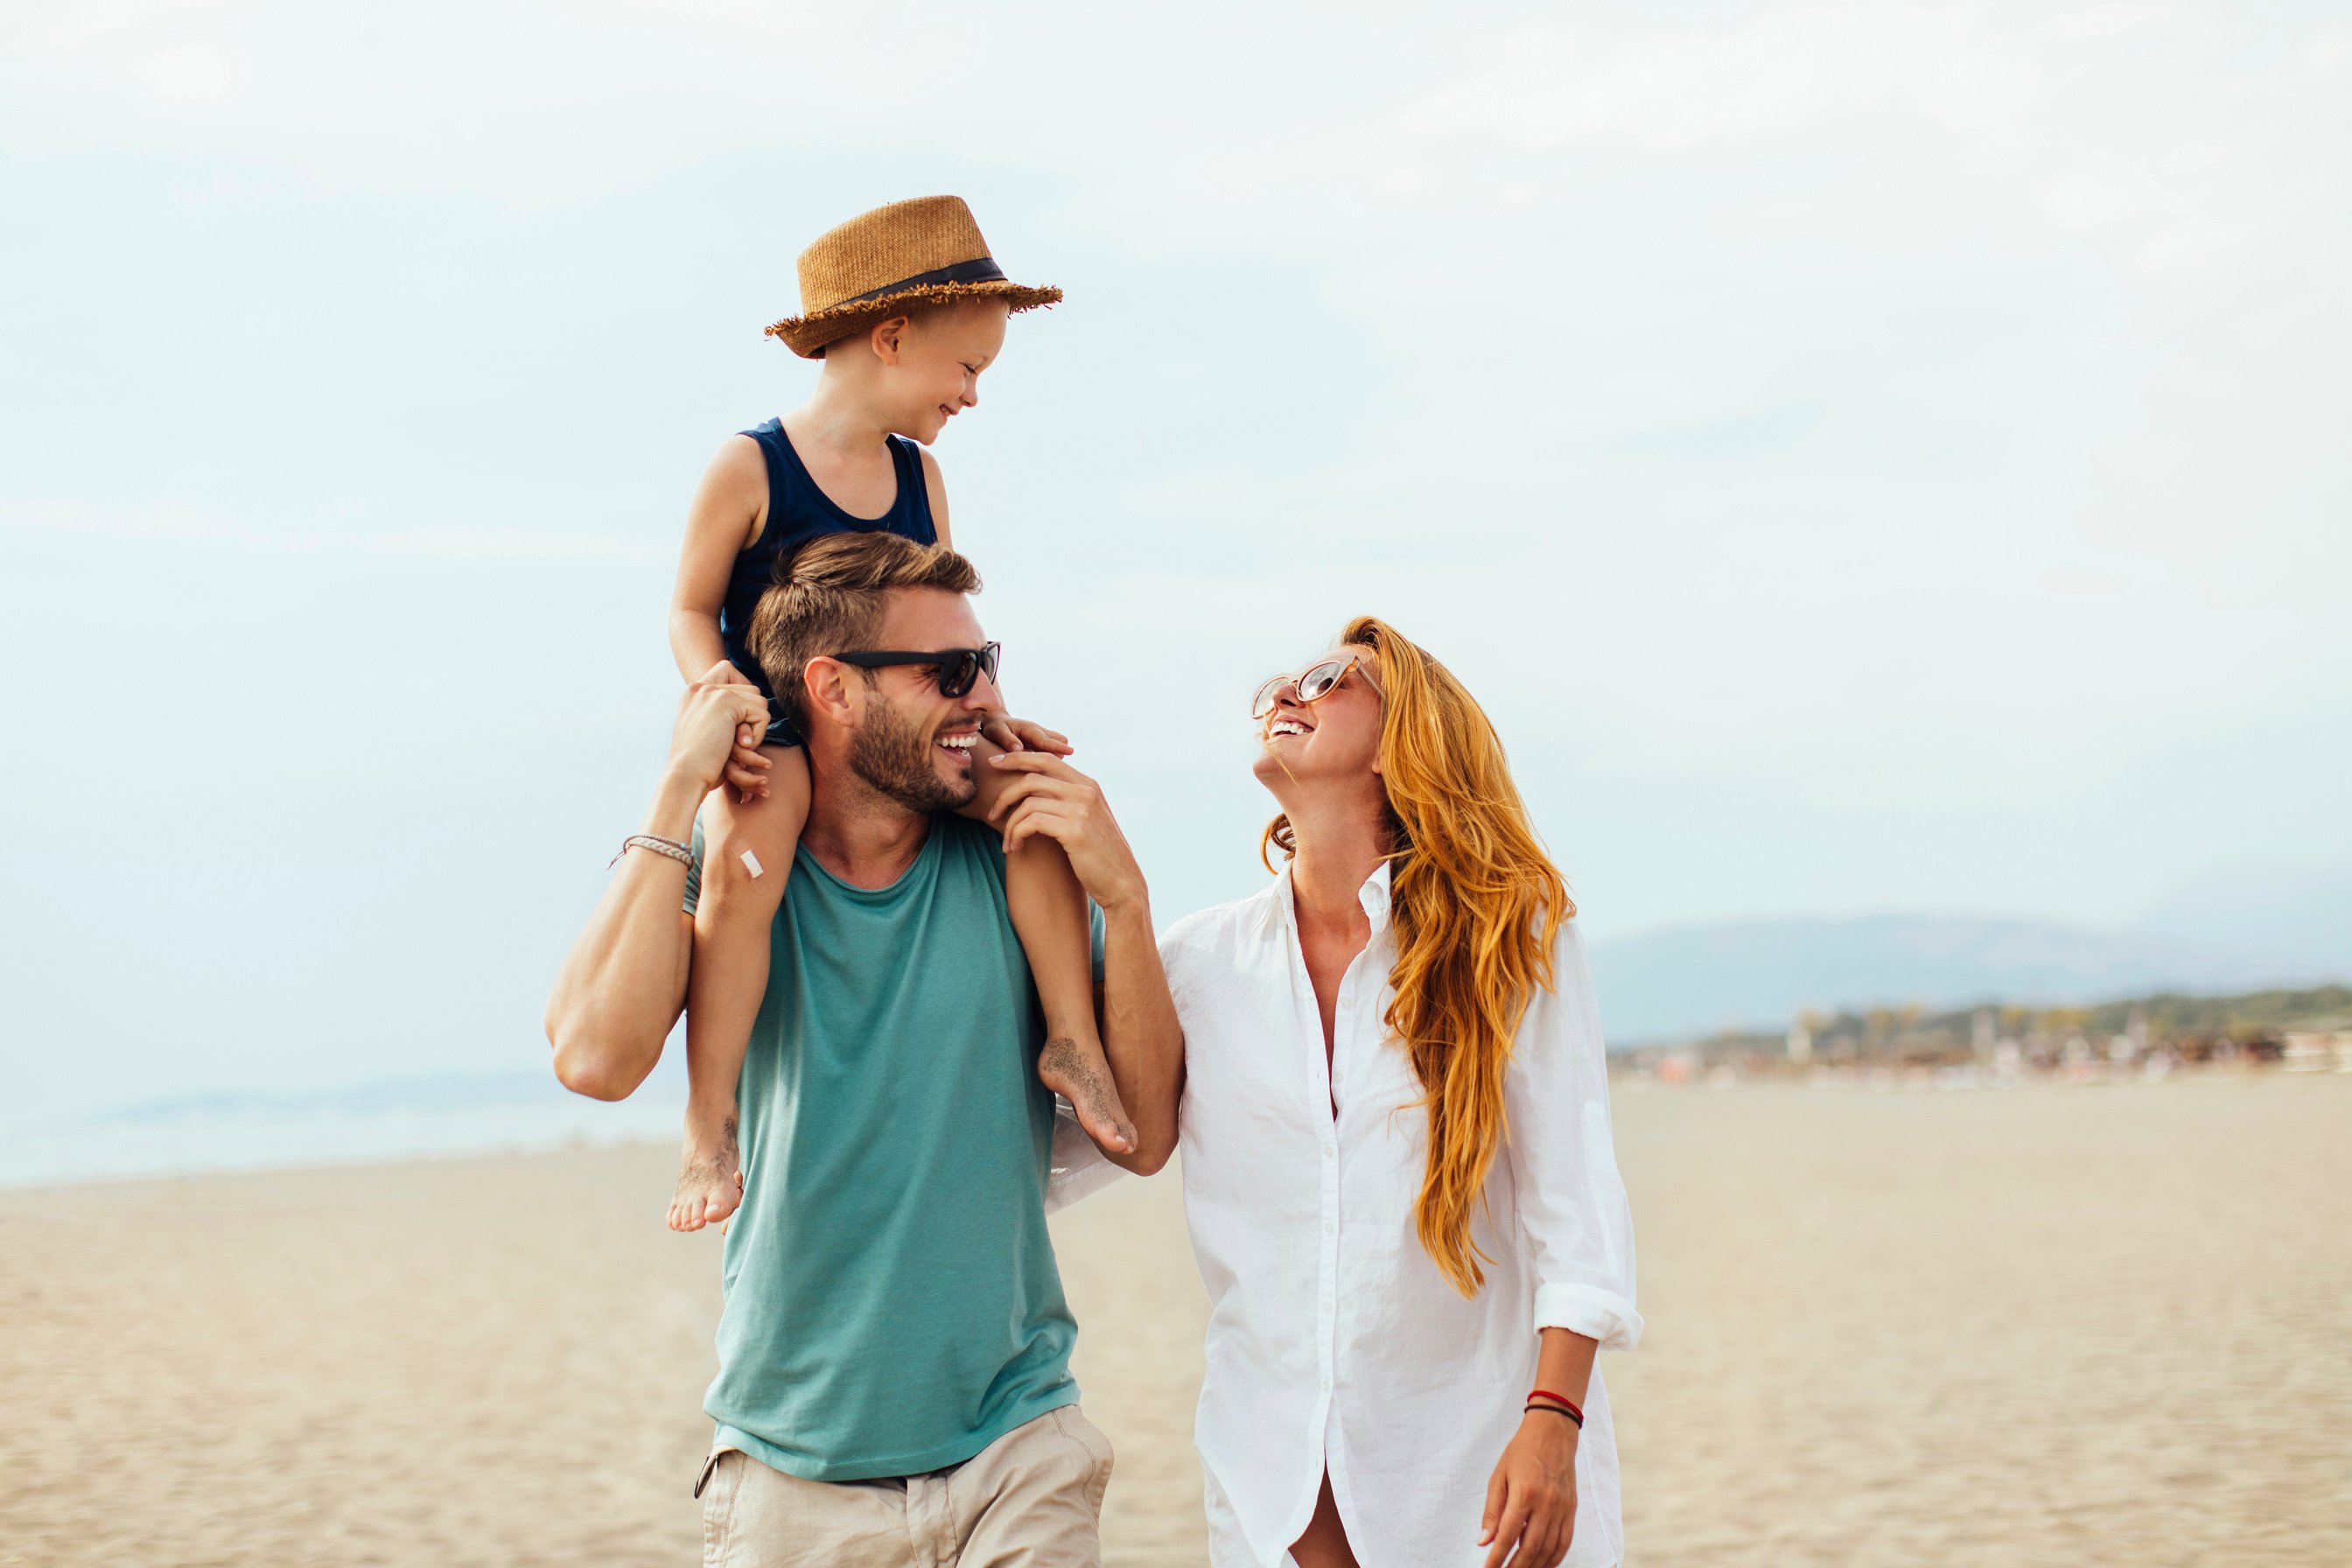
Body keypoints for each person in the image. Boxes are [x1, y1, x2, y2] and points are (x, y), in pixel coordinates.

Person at [543, 531, 1184, 1566]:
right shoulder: (749, 870)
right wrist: (678, 794)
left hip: (1017, 1448)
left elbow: (1146, 1136)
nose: (984, 696)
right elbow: (592, 1057)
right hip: (791, 1476)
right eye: (948, 671)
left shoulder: (1026, 869)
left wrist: (1127, 893)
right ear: (834, 690)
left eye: (988, 662)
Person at [1074, 617, 1642, 1568]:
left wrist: (1554, 1420)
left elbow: (1575, 1207)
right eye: (1282, 683)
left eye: (1331, 679)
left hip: (1475, 1483)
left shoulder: (1515, 940)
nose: (1287, 694)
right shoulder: (1198, 965)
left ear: (1403, 742)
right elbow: (1087, 1134)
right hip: (1274, 1500)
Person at [662, 193, 1133, 1233]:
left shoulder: (921, 476)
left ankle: (1071, 1038)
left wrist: (989, 714)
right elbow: (692, 610)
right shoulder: (752, 465)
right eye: (967, 369)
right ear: (889, 338)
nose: (972, 394)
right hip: (780, 730)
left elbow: (943, 625)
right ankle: (708, 1119)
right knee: (744, 856)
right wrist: (724, 699)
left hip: (897, 729)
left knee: (1028, 802)